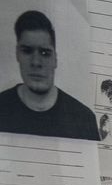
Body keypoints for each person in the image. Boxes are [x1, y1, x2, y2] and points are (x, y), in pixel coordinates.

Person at [0, 11, 102, 140]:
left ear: (55, 59)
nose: (36, 62)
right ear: (17, 54)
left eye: (44, 53)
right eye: (27, 51)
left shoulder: (84, 119)